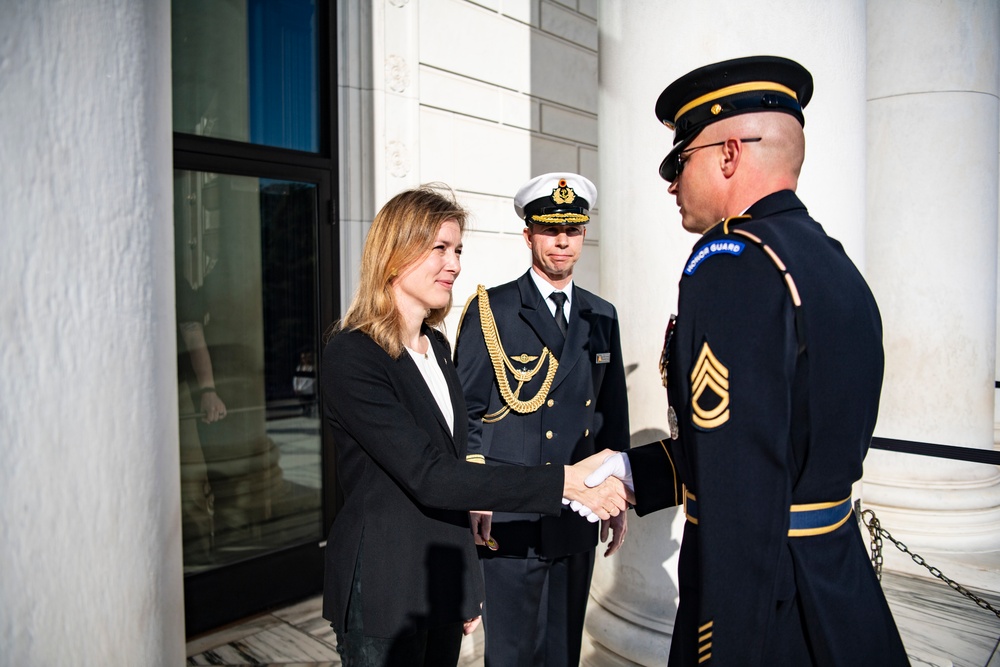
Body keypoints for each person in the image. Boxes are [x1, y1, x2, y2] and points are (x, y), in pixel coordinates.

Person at [582, 56, 909, 665]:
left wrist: (720, 645)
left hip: (765, 610)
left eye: (680, 163)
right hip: (835, 588)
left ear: (729, 153)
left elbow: (741, 489)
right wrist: (635, 472)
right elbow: (778, 438)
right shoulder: (831, 262)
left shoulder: (730, 263)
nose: (672, 183)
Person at [320, 184, 627, 667]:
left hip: (440, 578)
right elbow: (430, 474)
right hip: (384, 589)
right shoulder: (352, 354)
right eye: (438, 249)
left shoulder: (436, 348)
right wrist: (563, 482)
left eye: (458, 249)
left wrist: (465, 580)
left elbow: (460, 460)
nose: (455, 264)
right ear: (395, 254)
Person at [453, 173, 630, 666]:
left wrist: (618, 499)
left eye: (572, 230)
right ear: (528, 234)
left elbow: (611, 418)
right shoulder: (495, 310)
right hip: (510, 518)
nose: (562, 241)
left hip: (576, 519)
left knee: (562, 655)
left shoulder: (603, 316)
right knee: (510, 656)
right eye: (550, 230)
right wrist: (476, 491)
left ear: (583, 234)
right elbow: (466, 411)